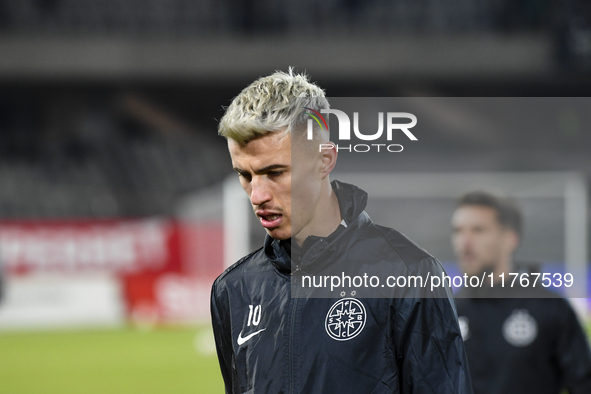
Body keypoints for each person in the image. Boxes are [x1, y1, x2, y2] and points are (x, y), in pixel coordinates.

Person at [210, 68, 473, 393]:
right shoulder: (233, 289)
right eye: (245, 175)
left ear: (325, 160)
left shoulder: (408, 273)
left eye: (275, 172)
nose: (257, 195)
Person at [452, 191, 591, 394]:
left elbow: (583, 383)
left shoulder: (549, 308)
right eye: (457, 231)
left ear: (510, 239)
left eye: (478, 230)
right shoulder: (448, 311)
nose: (464, 243)